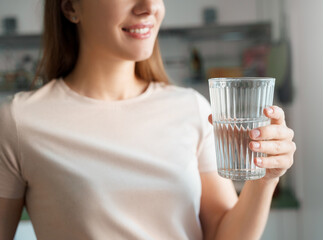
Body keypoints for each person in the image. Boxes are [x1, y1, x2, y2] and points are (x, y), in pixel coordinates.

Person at [0, 0, 296, 239]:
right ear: (70, 7)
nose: (149, 6)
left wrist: (265, 178)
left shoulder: (191, 108)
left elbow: (223, 235)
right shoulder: (20, 122)